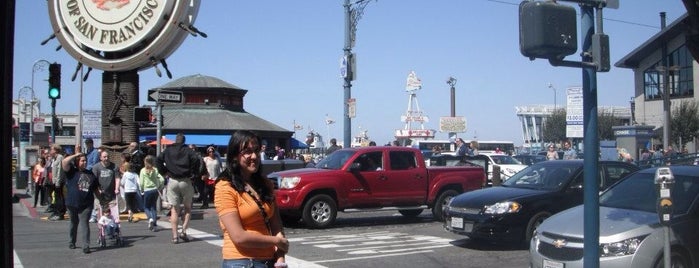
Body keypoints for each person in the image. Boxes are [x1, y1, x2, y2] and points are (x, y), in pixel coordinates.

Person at [215, 130, 288, 268]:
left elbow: (277, 226)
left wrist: (280, 259)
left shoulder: (265, 184)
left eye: (256, 150)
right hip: (241, 262)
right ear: (235, 156)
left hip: (269, 261)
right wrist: (276, 241)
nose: (254, 156)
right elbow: (239, 237)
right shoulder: (225, 187)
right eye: (247, 151)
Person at [156, 133, 201, 244]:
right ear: (184, 141)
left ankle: (175, 236)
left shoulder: (168, 150)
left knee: (174, 210)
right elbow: (196, 159)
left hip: (172, 180)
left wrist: (164, 172)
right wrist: (193, 173)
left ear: (175, 140)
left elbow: (158, 160)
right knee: (187, 208)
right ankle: (183, 231)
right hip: (185, 180)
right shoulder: (188, 151)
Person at [62, 150, 101, 254]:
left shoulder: (90, 174)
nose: (84, 162)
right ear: (77, 162)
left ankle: (86, 246)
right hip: (72, 203)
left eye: (85, 161)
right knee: (73, 223)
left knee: (84, 223)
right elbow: (64, 162)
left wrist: (102, 201)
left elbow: (96, 190)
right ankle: (72, 242)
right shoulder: (72, 172)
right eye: (82, 161)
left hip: (86, 204)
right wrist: (76, 155)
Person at [90, 150, 120, 223]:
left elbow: (117, 178)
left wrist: (117, 188)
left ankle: (113, 230)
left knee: (113, 214)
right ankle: (101, 230)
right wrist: (97, 189)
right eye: (104, 157)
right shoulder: (96, 167)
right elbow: (94, 180)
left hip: (111, 194)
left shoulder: (114, 166)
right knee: (100, 216)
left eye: (107, 157)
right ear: (100, 158)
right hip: (99, 195)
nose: (106, 158)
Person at [139, 155, 165, 231]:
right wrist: (160, 187)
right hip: (155, 190)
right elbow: (162, 179)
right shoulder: (155, 170)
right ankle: (154, 224)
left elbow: (141, 182)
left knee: (146, 207)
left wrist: (142, 189)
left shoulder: (143, 170)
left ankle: (150, 218)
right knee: (153, 207)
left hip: (147, 190)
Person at [49, 144, 67, 221]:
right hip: (54, 181)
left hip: (58, 182)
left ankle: (60, 213)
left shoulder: (60, 158)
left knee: (59, 197)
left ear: (55, 150)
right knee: (56, 197)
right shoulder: (54, 158)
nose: (50, 151)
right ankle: (56, 212)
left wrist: (58, 182)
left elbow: (60, 171)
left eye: (52, 149)